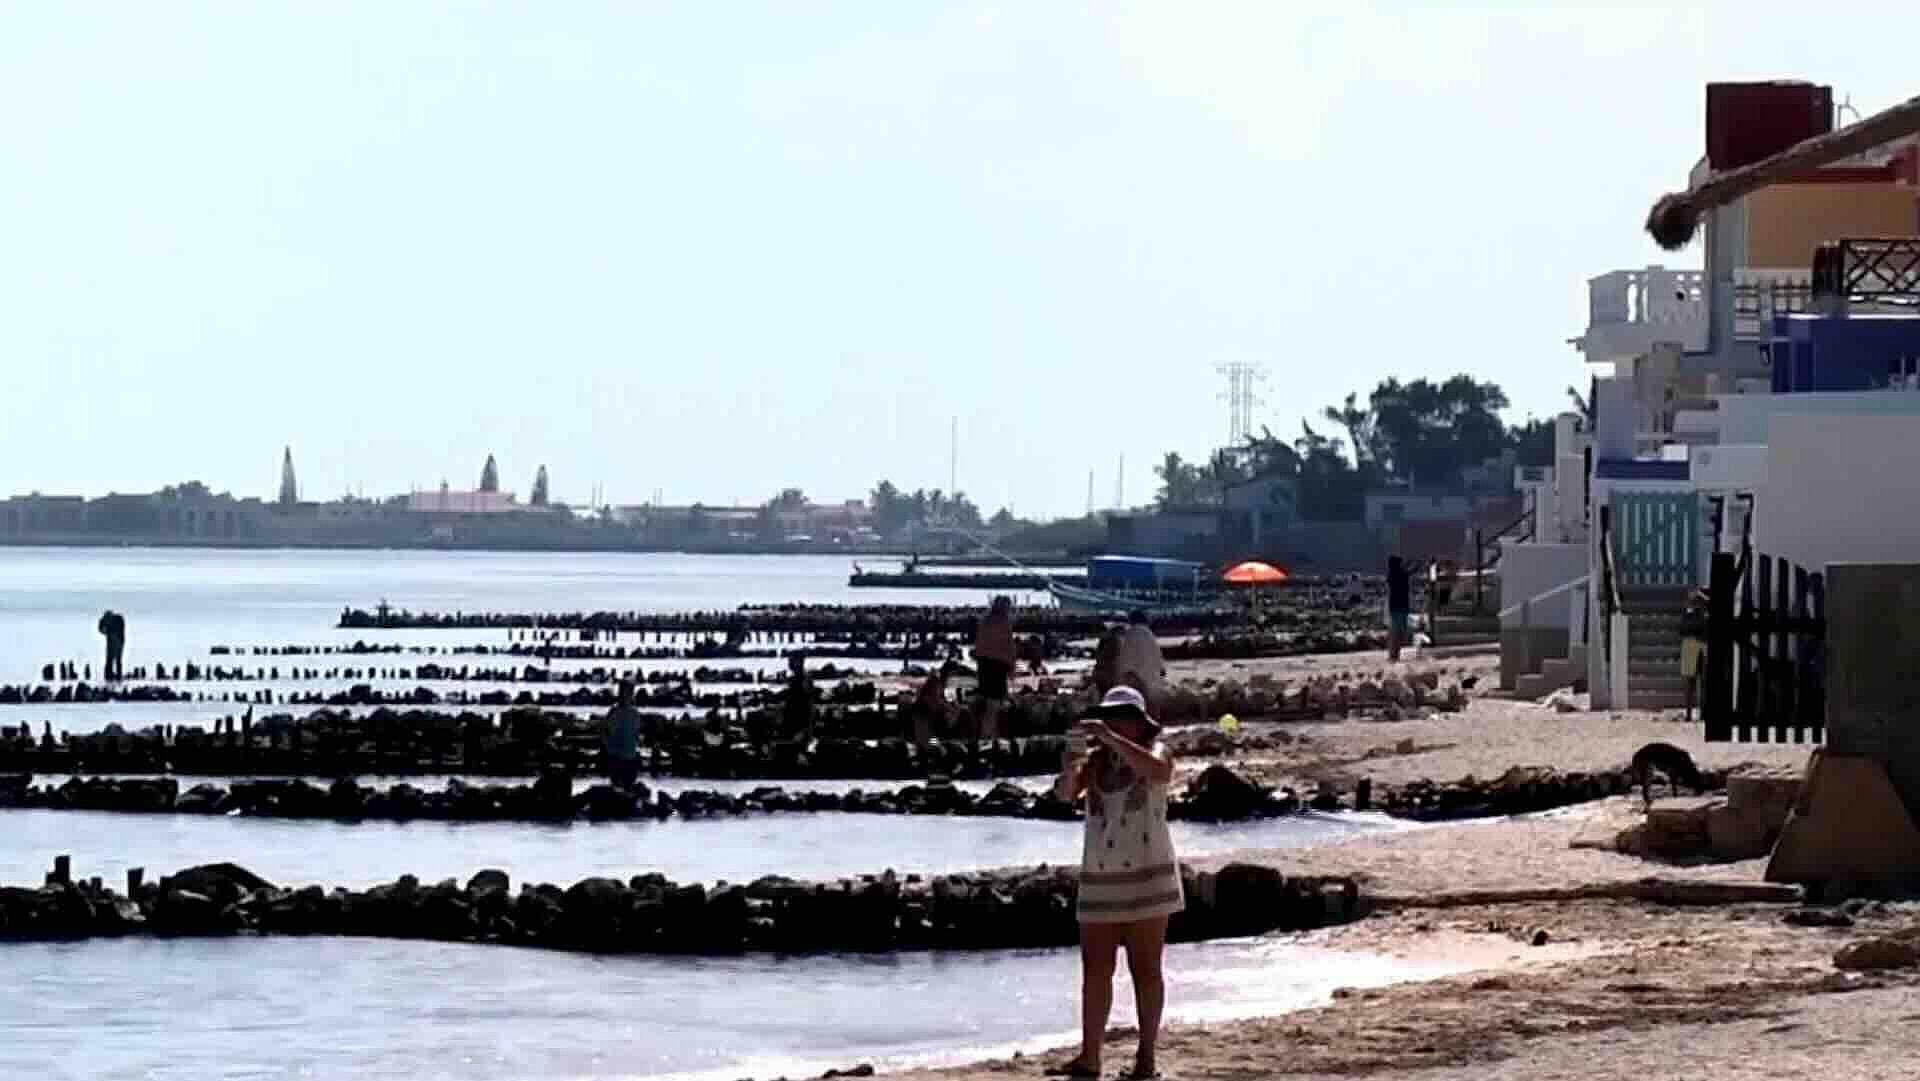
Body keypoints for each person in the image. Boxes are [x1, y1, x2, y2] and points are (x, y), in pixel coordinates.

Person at [1050, 686, 1181, 1081]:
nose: (1114, 722)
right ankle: (1090, 1058)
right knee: (1095, 969)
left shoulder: (1157, 752)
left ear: (1141, 723)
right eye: (1109, 716)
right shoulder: (1095, 763)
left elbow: (1159, 773)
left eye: (1123, 715)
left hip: (1147, 876)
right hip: (1101, 879)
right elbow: (1064, 795)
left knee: (1146, 970)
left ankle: (1146, 1058)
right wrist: (1071, 764)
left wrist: (1112, 740)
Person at [972, 595, 1016, 741]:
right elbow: (1009, 647)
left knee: (985, 701)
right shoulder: (1004, 623)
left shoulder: (984, 621)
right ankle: (989, 735)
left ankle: (984, 733)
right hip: (998, 666)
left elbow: (978, 646)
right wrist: (1011, 668)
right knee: (994, 704)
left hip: (984, 665)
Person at [1115, 610, 1166, 713]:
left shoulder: (1130, 635)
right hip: (1153, 681)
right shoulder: (1150, 635)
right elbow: (1161, 665)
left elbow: (1125, 661)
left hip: (1136, 681)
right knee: (1152, 711)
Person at [604, 678, 642, 788]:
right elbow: (605, 731)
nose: (628, 694)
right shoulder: (614, 711)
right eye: (625, 691)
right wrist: (609, 748)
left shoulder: (635, 713)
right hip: (616, 757)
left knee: (628, 789)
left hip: (630, 757)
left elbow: (636, 733)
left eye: (630, 691)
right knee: (617, 790)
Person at [781, 653, 815, 740]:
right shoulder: (796, 678)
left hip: (799, 720)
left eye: (791, 661)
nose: (789, 664)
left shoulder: (804, 679)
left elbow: (808, 705)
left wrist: (805, 729)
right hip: (793, 718)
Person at [1385, 556, 1412, 662]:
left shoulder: (1391, 575)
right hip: (1402, 607)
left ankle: (1394, 654)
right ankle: (1395, 654)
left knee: (1395, 632)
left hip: (1395, 607)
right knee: (1399, 632)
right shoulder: (1402, 575)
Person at [97, 610, 126, 682]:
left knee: (115, 659)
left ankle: (115, 676)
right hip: (113, 641)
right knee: (111, 659)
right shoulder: (106, 620)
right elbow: (101, 629)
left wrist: (108, 632)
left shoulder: (118, 619)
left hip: (118, 640)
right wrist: (106, 632)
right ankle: (110, 676)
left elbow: (102, 629)